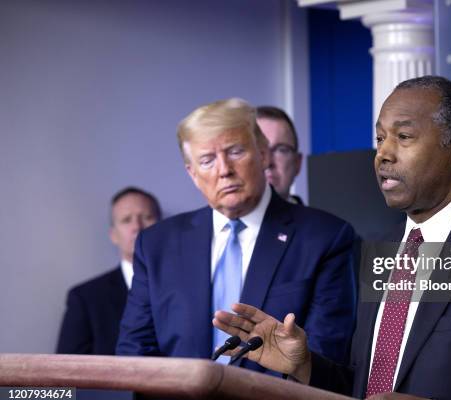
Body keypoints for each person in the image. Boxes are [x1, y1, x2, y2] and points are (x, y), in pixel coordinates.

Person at [212, 77, 451, 400]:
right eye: (379, 138)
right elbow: (368, 390)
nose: (383, 154)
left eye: (403, 137)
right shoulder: (383, 250)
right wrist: (304, 365)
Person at [116, 98, 356, 369]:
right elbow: (134, 354)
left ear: (263, 154)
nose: (224, 170)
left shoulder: (325, 237)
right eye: (207, 161)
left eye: (235, 151)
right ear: (192, 174)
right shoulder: (157, 244)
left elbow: (326, 356)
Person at [57, 187, 162, 355]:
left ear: (164, 228)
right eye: (127, 220)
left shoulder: (190, 287)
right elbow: (64, 372)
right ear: (113, 235)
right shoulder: (85, 298)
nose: (137, 227)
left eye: (147, 217)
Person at [256, 106, 304, 205]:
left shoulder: (323, 221)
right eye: (258, 150)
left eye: (281, 150)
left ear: (297, 163)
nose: (268, 162)